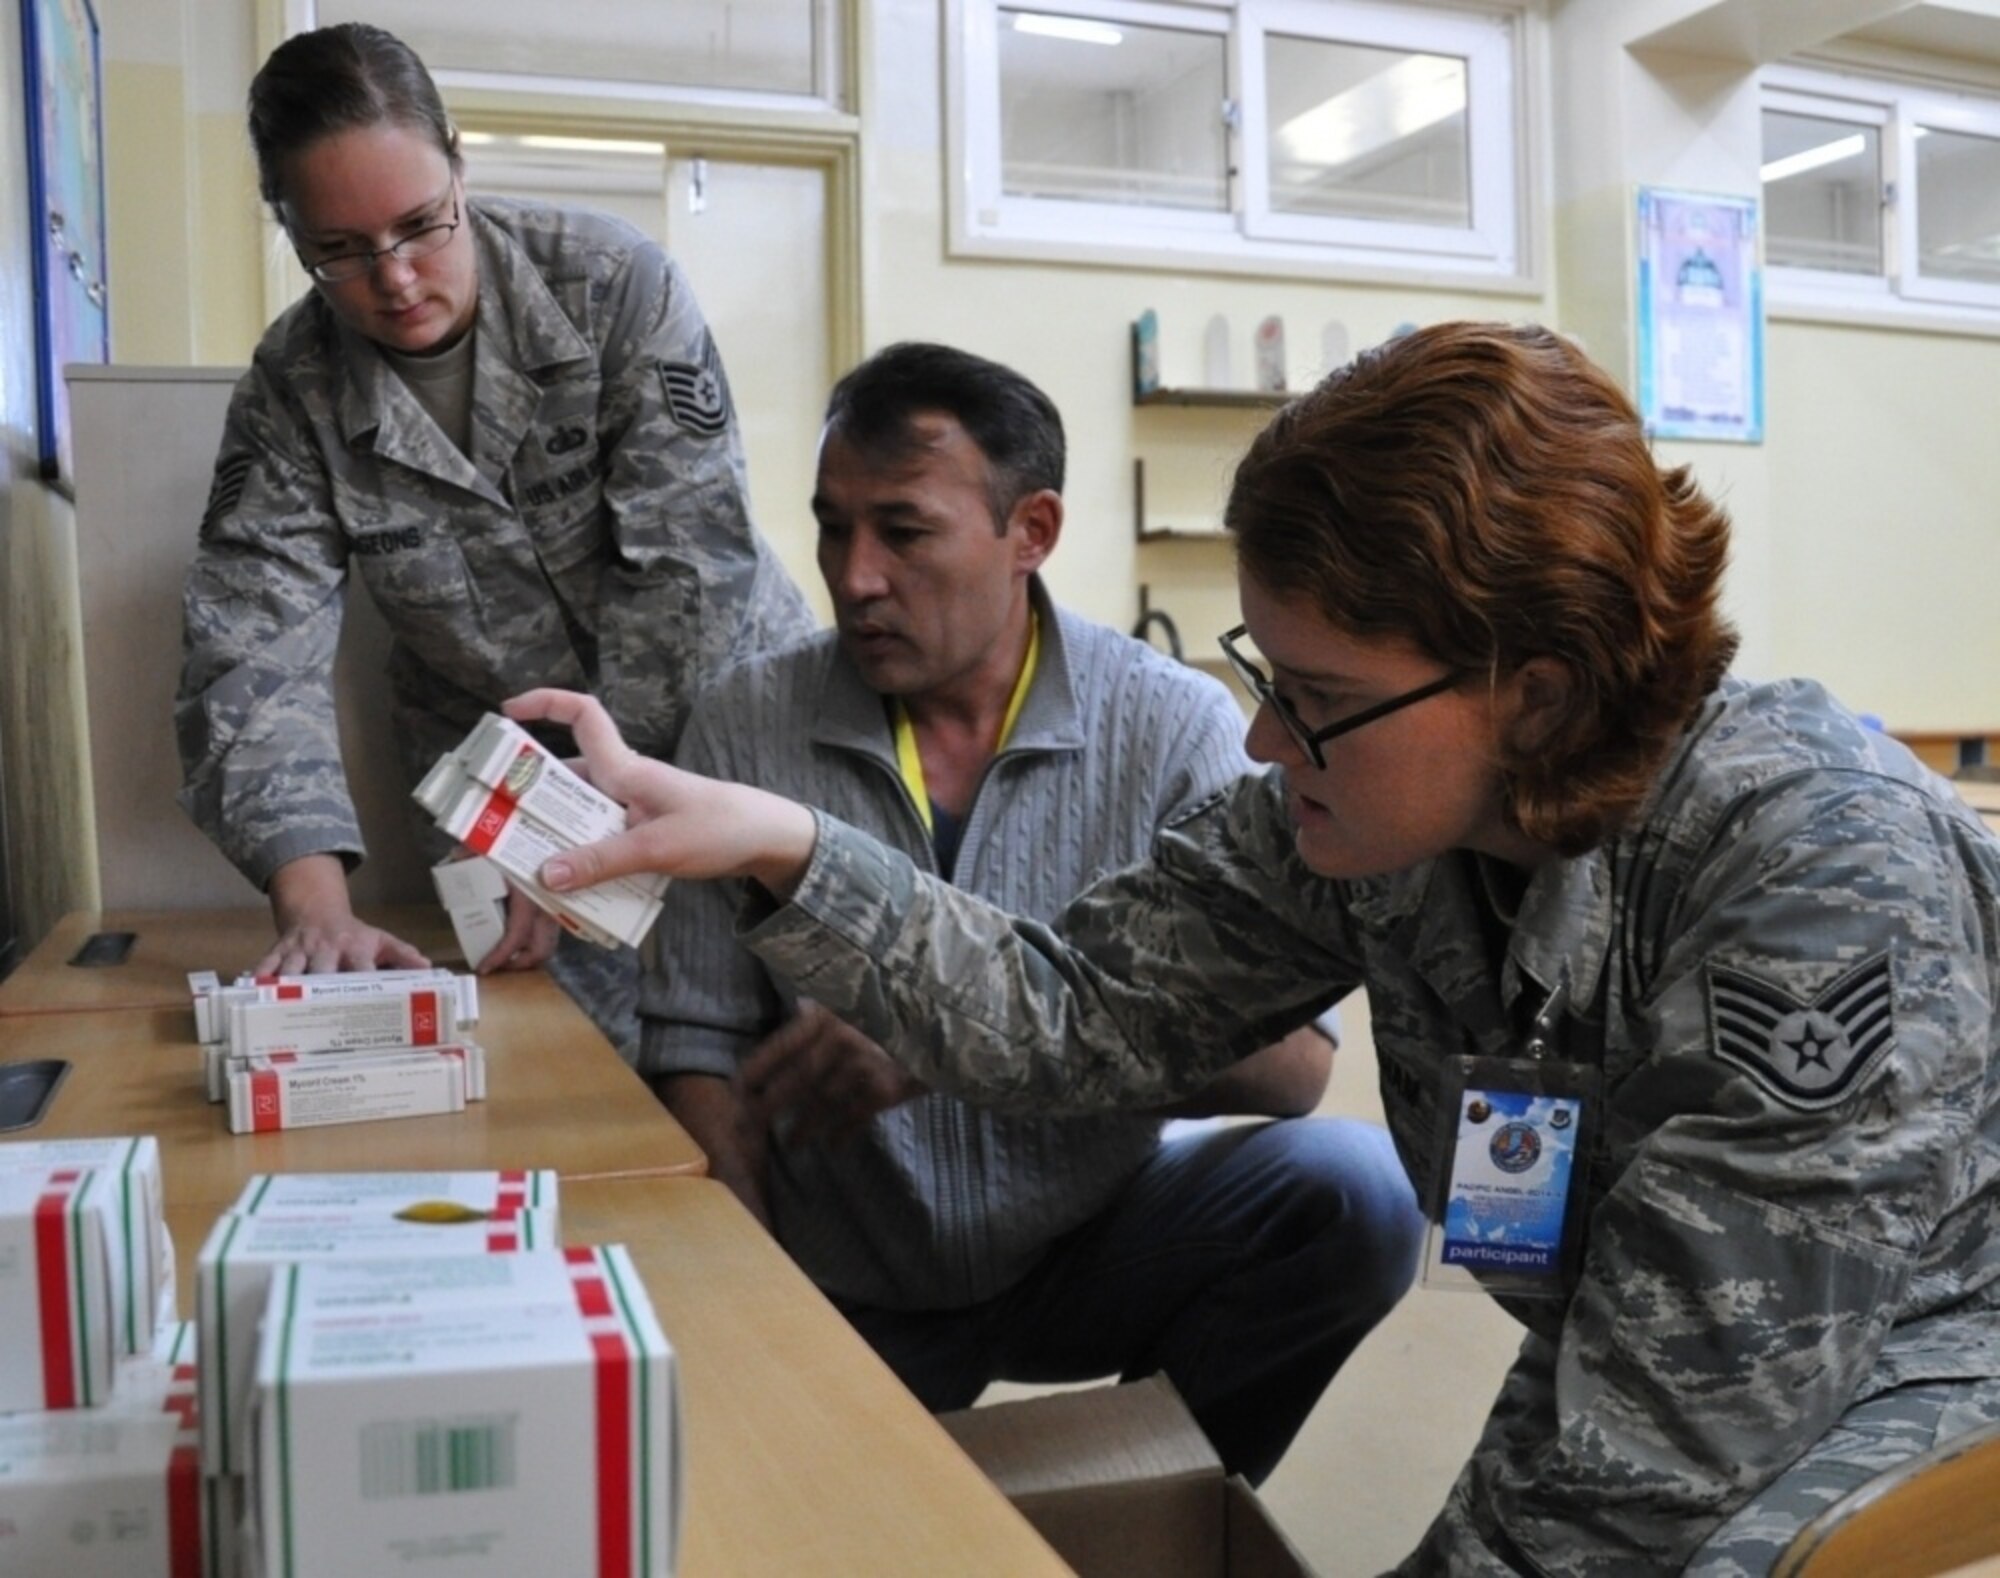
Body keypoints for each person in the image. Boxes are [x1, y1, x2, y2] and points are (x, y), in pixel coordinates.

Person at [511, 321, 2000, 1574]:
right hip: (1651, 1360)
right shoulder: (1377, 814)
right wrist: (776, 840)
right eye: (1265, 674)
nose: (1264, 736)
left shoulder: (1813, 872)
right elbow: (1068, 1010)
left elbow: (1665, 1441)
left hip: (1915, 1348)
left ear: (1535, 693)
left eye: (1319, 693)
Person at [643, 341, 1422, 1484]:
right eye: (830, 526)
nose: (853, 576)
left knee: (1354, 1193)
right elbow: (692, 1042)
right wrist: (765, 1301)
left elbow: (1292, 1070)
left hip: (1087, 1237)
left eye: (902, 532)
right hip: (845, 1263)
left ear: (1032, 532)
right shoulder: (747, 726)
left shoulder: (1169, 725)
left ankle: (1159, 1509)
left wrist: (943, 1041)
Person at [173, 21, 813, 1057]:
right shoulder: (294, 390)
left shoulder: (610, 288)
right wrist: (312, 901)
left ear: (460, 167)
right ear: (287, 230)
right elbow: (249, 649)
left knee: (797, 1041)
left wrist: (574, 819)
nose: (395, 278)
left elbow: (686, 581)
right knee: (561, 1060)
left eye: (422, 224)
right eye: (337, 250)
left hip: (725, 729)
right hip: (493, 777)